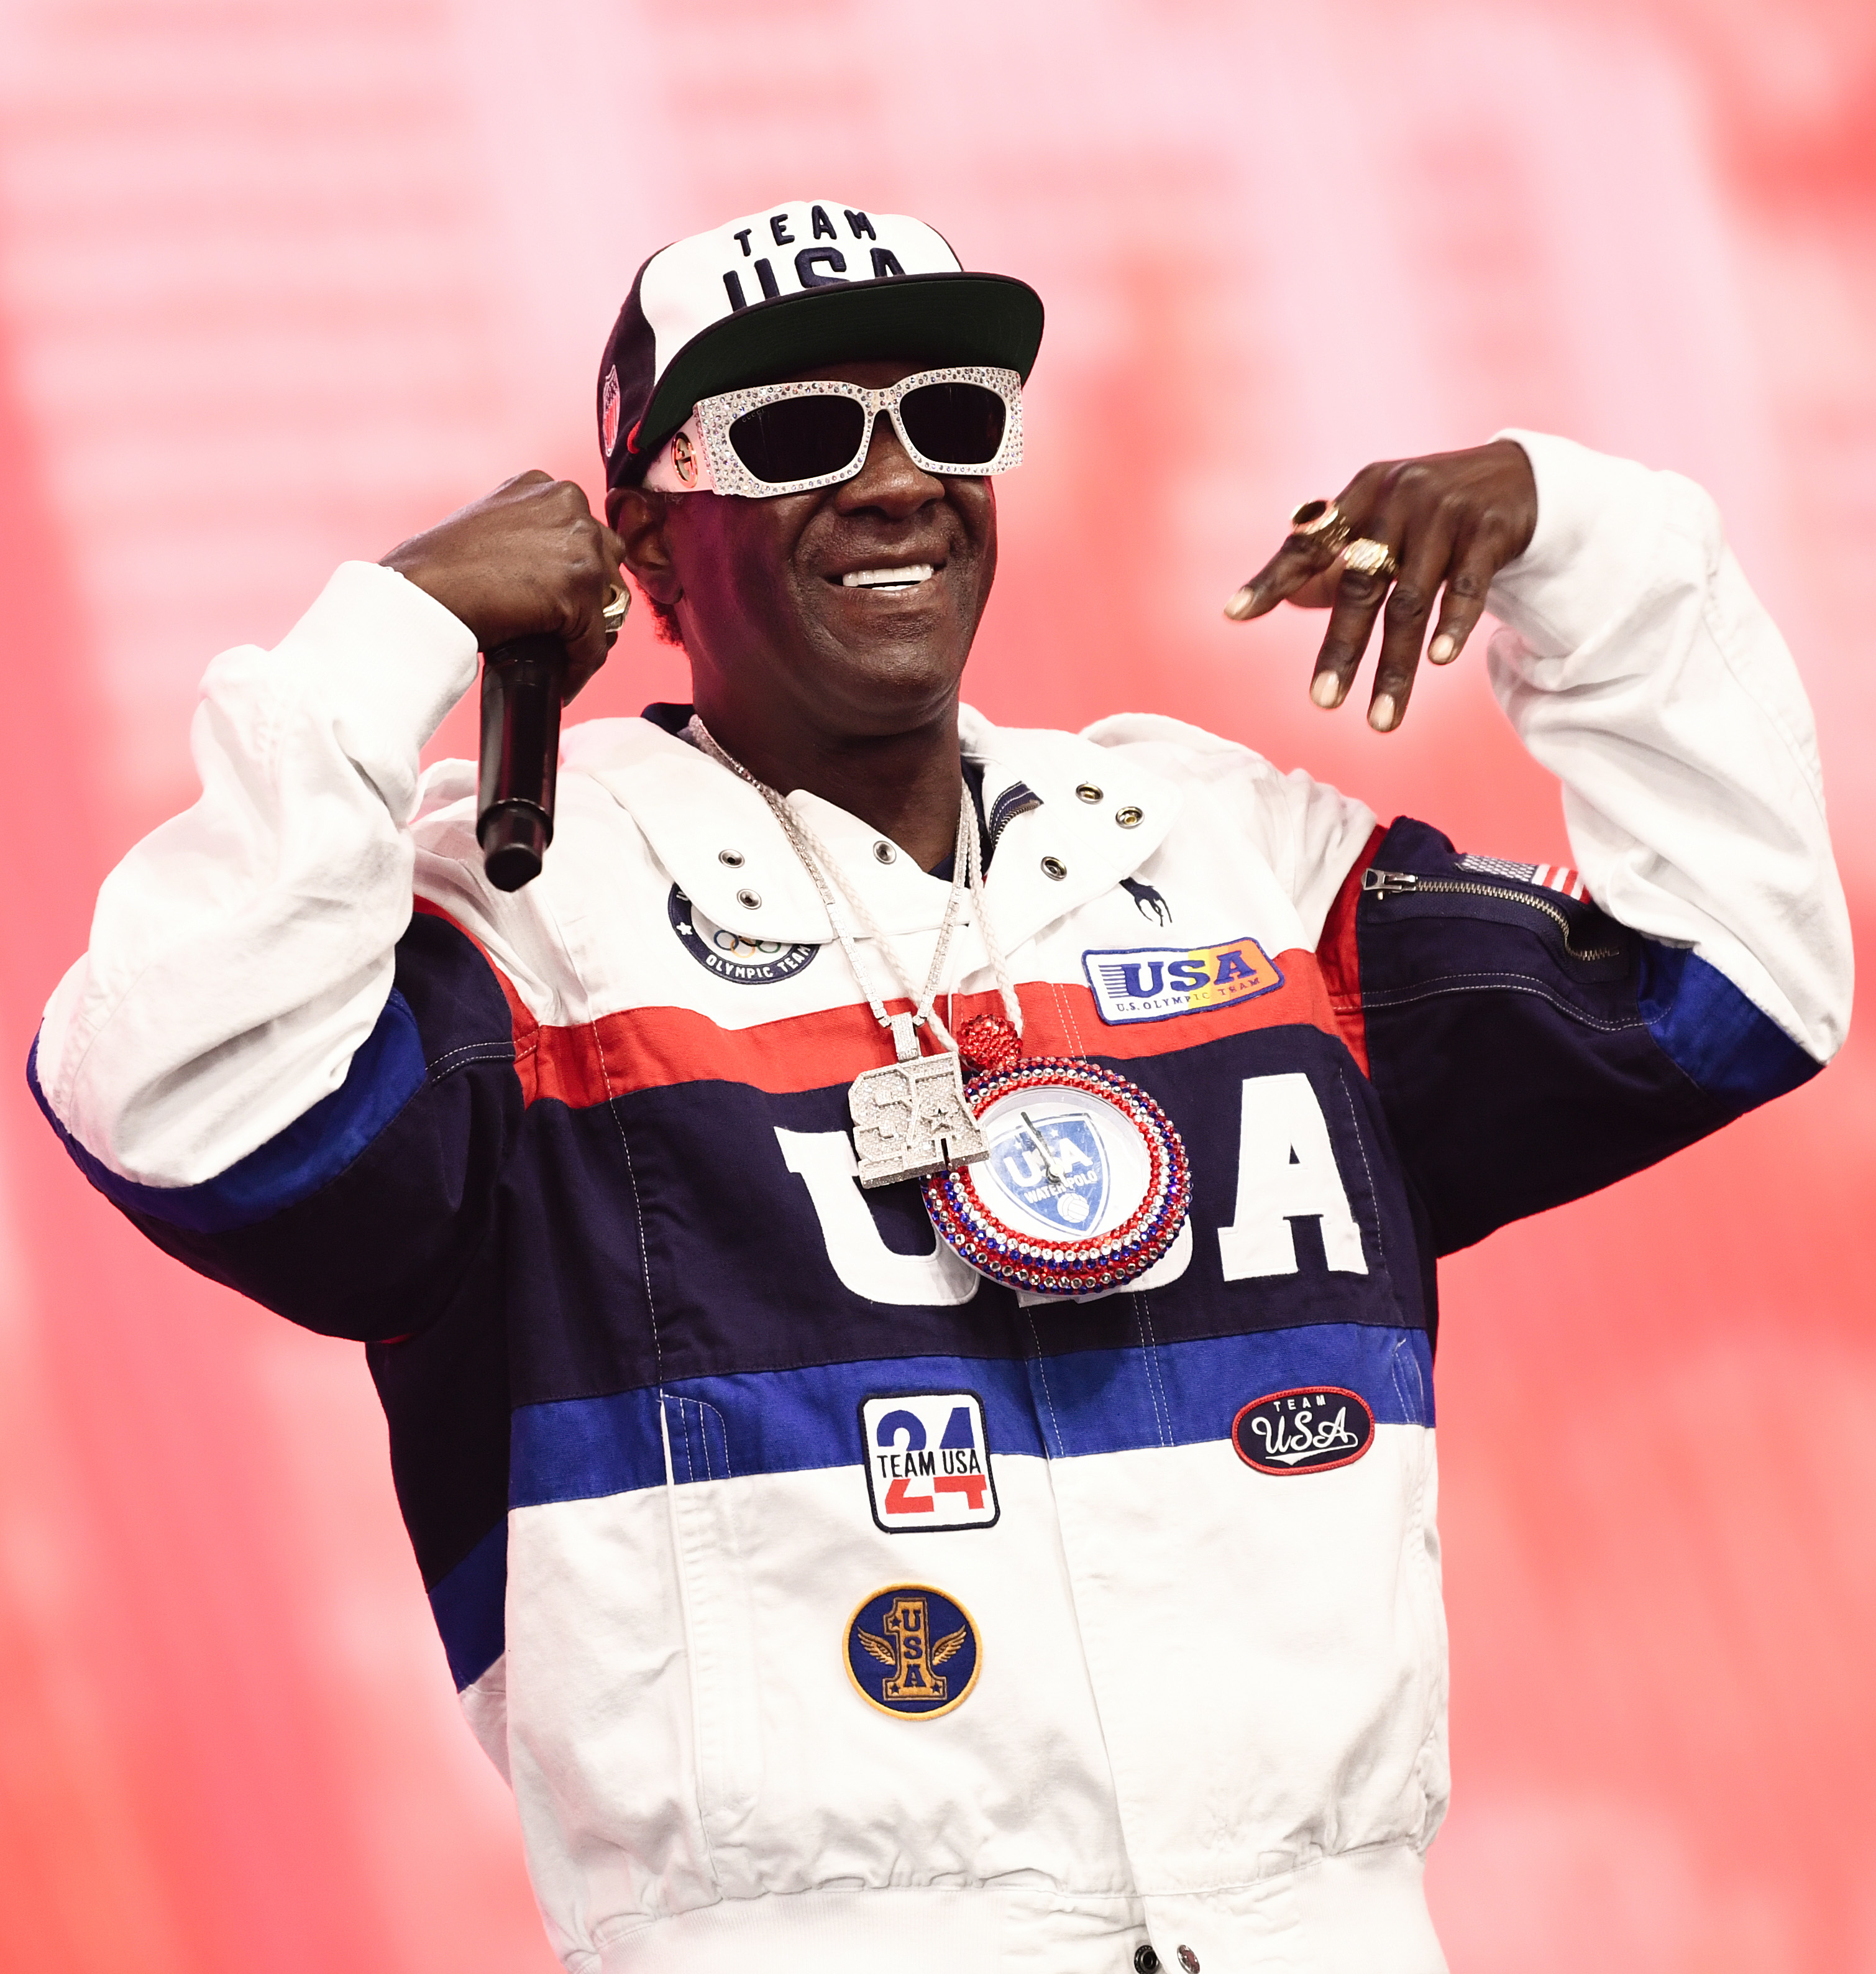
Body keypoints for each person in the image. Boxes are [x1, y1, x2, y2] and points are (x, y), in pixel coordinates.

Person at [28, 198, 1851, 1974]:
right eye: (800, 434)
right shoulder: (527, 920)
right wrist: (389, 641)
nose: (898, 481)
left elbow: (1738, 988)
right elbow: (178, 1107)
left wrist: (1587, 543)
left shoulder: (1228, 858)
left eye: (951, 421)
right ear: (645, 553)